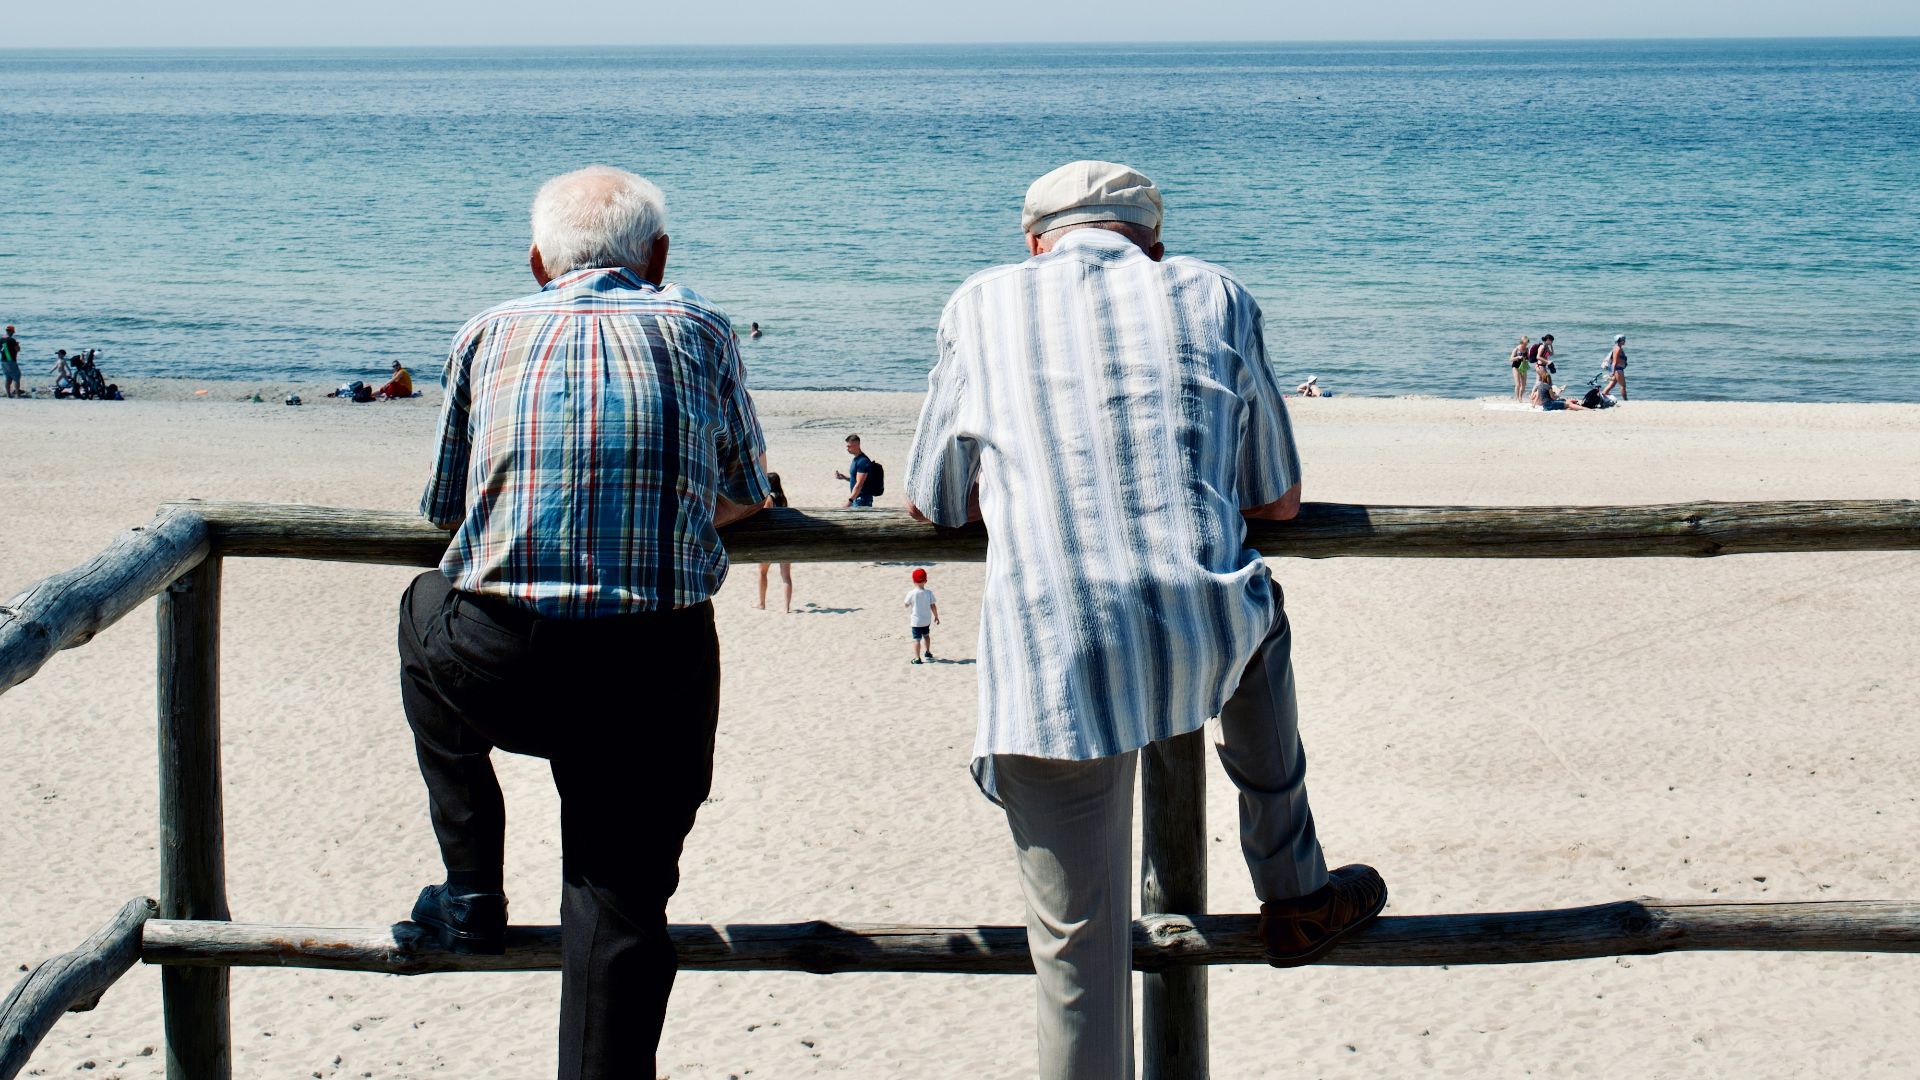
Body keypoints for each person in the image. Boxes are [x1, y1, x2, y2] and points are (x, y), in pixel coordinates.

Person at [905, 160, 1386, 1079]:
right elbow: (1277, 501)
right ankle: (1293, 891)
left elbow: (936, 500)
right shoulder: (1214, 291)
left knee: (1077, 954)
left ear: (1034, 243)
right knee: (1257, 612)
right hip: (1200, 628)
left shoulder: (980, 301)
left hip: (1053, 656)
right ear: (1152, 243)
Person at [397, 164, 769, 1080]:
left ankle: (472, 885)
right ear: (659, 257)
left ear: (536, 263)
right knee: (620, 895)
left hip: (500, 664)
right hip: (650, 670)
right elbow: (745, 494)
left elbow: (448, 511)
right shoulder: (700, 326)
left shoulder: (487, 331)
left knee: (417, 610)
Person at [755, 471, 794, 612]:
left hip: (770, 541)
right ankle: (786, 607)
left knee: (762, 572)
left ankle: (762, 603)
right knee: (786, 576)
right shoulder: (783, 499)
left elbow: (764, 518)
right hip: (785, 540)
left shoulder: (768, 498)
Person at [904, 567, 939, 663]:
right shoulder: (929, 593)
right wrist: (936, 616)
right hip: (926, 621)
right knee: (926, 636)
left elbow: (906, 605)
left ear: (913, 581)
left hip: (916, 622)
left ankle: (917, 658)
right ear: (925, 581)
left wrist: (908, 604)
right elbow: (933, 606)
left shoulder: (911, 593)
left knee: (916, 640)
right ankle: (927, 651)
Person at [835, 433, 873, 506]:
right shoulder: (856, 459)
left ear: (857, 445)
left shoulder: (863, 461)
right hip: (857, 499)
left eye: (849, 446)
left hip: (862, 500)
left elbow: (859, 484)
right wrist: (844, 477)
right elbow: (857, 480)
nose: (847, 449)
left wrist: (849, 501)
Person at [1603, 334, 1628, 401]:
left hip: (1617, 369)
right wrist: (1612, 372)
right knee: (1623, 386)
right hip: (1618, 370)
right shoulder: (1618, 349)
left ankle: (1603, 396)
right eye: (1623, 340)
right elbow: (1614, 361)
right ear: (1620, 340)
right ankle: (1626, 401)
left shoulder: (1617, 347)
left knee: (1611, 385)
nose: (1625, 341)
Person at [1509, 335, 1532, 401]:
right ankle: (1517, 398)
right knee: (1518, 384)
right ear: (1521, 342)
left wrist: (1527, 360)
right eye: (1524, 344)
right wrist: (1517, 357)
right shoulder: (1516, 349)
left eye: (1527, 343)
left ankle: (1520, 397)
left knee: (1524, 384)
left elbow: (1529, 358)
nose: (1525, 345)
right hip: (1515, 366)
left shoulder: (1527, 349)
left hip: (1523, 366)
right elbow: (1510, 359)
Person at [1, 326, 20, 399]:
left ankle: (8, 395)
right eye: (13, 332)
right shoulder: (12, 340)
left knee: (8, 377)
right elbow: (18, 350)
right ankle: (17, 395)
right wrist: (17, 344)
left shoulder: (1, 339)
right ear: (11, 331)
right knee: (16, 377)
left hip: (3, 360)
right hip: (11, 360)